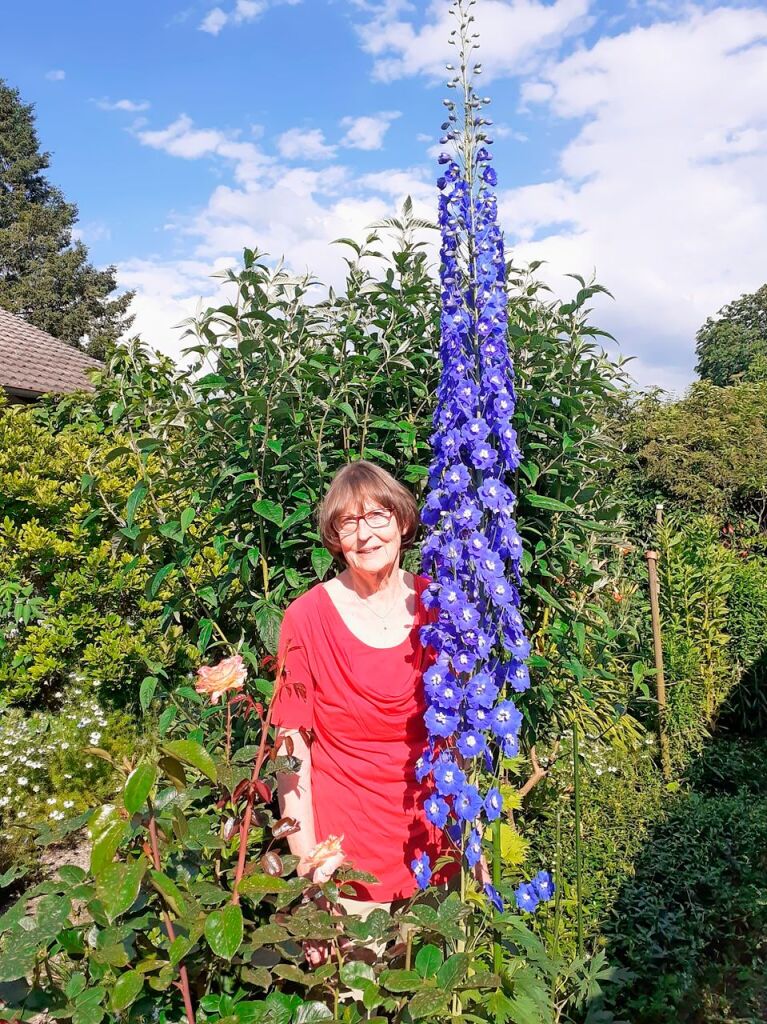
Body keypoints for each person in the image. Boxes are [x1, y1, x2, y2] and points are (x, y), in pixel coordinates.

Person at [272, 460, 458, 964]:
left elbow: (464, 736)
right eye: (348, 523)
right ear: (334, 537)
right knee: (360, 998)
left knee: (434, 997)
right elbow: (291, 754)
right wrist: (311, 878)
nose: (365, 534)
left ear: (401, 520)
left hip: (433, 845)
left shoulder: (438, 607)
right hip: (349, 863)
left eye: (377, 515)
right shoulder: (307, 618)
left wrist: (474, 842)